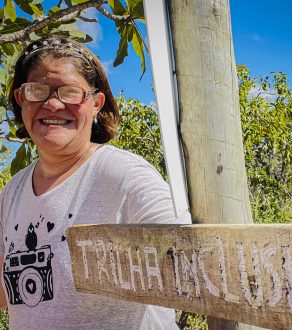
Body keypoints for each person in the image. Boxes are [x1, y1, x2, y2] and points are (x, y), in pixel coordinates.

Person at [0, 35, 190, 329]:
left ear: (96, 104)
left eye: (70, 92)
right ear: (21, 99)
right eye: (37, 90)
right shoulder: (12, 192)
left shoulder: (125, 175)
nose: (51, 104)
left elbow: (189, 261)